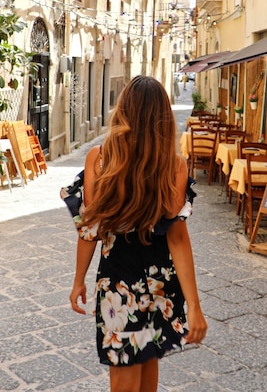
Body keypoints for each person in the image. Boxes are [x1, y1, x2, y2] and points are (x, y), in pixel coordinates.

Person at [69, 75, 207, 392]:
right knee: (147, 377)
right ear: (163, 117)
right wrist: (194, 306)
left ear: (123, 112)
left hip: (117, 284)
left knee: (124, 379)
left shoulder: (100, 160)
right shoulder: (175, 166)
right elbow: (177, 239)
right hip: (160, 285)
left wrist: (79, 280)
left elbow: (89, 229)